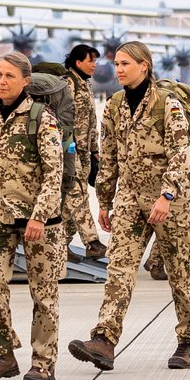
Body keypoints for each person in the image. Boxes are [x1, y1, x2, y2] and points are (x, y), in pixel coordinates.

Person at [69, 41, 190, 372]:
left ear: (144, 66)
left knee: (180, 273)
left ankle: (189, 343)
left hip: (169, 202)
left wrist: (167, 196)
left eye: (126, 63)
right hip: (129, 199)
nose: (119, 69)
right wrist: (104, 199)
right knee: (119, 269)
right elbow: (110, 154)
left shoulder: (166, 104)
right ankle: (104, 340)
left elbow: (180, 152)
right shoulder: (114, 105)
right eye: (117, 64)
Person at [0, 53, 67, 380]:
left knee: (43, 292)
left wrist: (39, 217)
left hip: (40, 219)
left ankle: (43, 360)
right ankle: (2, 353)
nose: (1, 81)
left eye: (9, 75)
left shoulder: (42, 118)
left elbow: (54, 172)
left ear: (26, 81)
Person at [64, 44, 108, 260]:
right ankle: (92, 242)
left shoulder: (85, 84)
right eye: (91, 61)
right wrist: (68, 146)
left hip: (84, 151)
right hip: (69, 150)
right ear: (78, 62)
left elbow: (90, 120)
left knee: (72, 200)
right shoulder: (68, 84)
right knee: (77, 195)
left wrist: (94, 150)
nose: (94, 65)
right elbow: (62, 119)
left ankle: (60, 244)